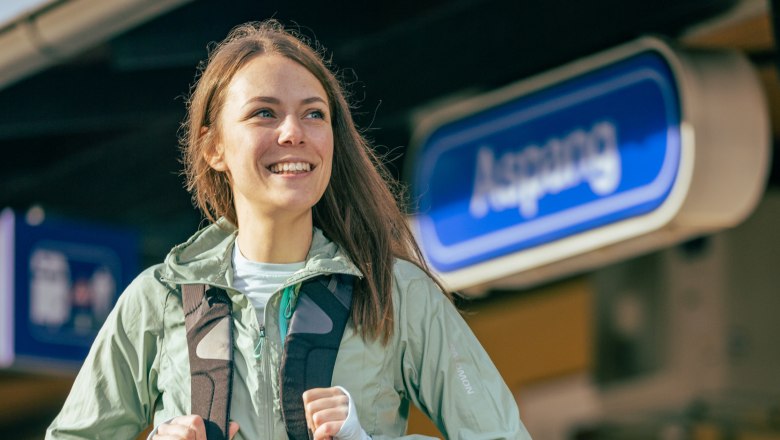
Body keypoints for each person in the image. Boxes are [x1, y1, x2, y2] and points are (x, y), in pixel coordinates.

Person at [46, 20, 531, 440]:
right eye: (264, 113)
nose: (293, 131)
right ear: (214, 147)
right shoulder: (156, 300)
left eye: (314, 113)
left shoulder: (397, 294)